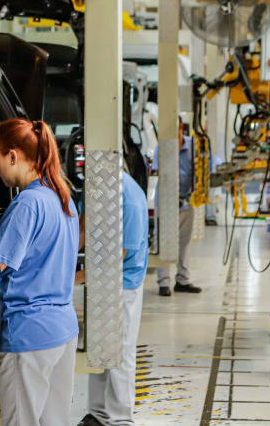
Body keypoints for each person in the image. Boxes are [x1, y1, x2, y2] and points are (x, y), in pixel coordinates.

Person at [0, 118, 79, 426]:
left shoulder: (28, 204)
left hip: (29, 336)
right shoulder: (61, 197)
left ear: (13, 156)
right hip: (61, 330)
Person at [78, 171, 149, 426]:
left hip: (123, 282)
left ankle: (121, 419)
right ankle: (98, 413)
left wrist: (71, 278)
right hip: (101, 278)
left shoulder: (129, 199)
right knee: (99, 347)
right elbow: (83, 228)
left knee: (120, 351)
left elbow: (117, 257)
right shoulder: (95, 184)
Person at [153, 119, 202, 297]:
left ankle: (183, 280)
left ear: (181, 127)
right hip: (165, 202)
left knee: (184, 242)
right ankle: (163, 282)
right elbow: (158, 172)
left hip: (187, 202)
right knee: (163, 241)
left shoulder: (193, 146)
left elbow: (201, 169)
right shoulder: (161, 147)